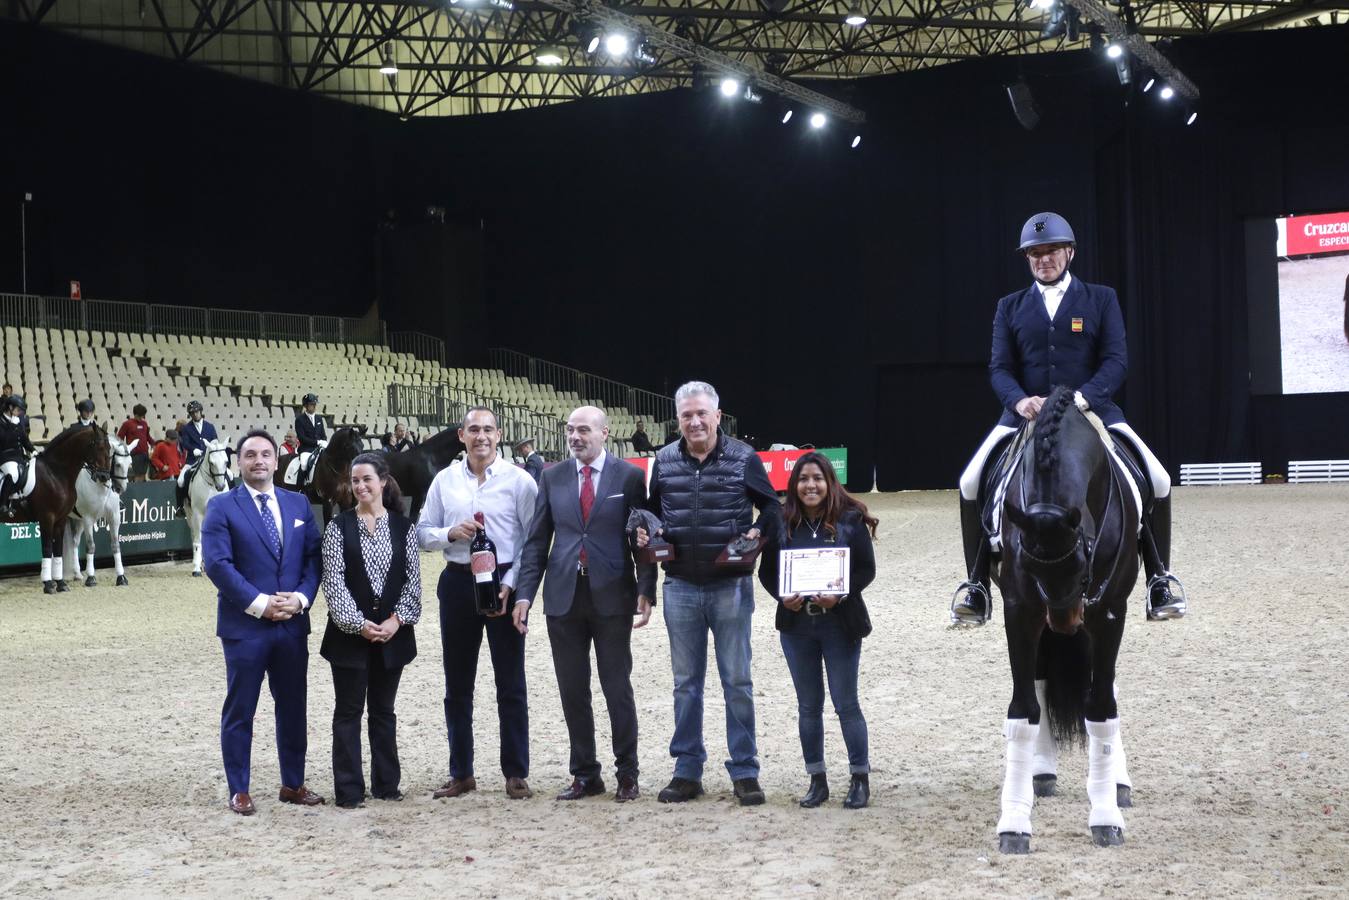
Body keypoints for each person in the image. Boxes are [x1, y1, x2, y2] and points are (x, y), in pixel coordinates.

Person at [952, 212, 1185, 626]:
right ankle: (977, 585)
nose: (1044, 259)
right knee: (970, 481)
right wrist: (1019, 401)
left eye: (1052, 251)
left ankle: (1158, 578)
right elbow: (1000, 367)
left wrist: (1084, 397)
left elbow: (1116, 360)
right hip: (1026, 415)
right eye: (1035, 253)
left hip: (1091, 411)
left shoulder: (1100, 299)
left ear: (1070, 252)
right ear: (1027, 258)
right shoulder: (1010, 306)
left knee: (1158, 477)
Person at [638, 381, 782, 807]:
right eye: (687, 415)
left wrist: (758, 531)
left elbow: (772, 507)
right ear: (678, 419)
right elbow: (650, 514)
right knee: (686, 684)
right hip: (680, 584)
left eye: (702, 413)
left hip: (730, 585)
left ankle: (745, 770)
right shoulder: (664, 460)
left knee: (737, 680)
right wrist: (646, 535)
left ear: (718, 416)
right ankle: (687, 770)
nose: (695, 421)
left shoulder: (744, 457)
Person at [514, 406, 656, 802]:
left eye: (583, 430)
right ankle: (585, 773)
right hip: (563, 597)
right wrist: (525, 594)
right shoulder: (551, 476)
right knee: (572, 690)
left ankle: (627, 772)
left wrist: (647, 587)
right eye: (570, 430)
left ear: (604, 433)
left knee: (616, 687)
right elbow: (537, 541)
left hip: (613, 595)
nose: (575, 437)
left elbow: (642, 537)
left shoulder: (629, 477)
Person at [417, 406, 538, 801]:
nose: (481, 436)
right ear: (462, 436)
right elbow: (422, 532)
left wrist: (512, 583)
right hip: (458, 581)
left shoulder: (520, 481)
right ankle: (461, 772)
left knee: (510, 682)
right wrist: (450, 533)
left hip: (503, 583)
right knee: (457, 683)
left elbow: (533, 542)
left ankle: (515, 772)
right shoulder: (444, 480)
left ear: (498, 435)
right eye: (473, 429)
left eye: (488, 429)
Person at [201, 430, 325, 816]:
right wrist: (260, 604)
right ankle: (239, 789)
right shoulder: (221, 506)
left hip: (291, 625)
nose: (259, 460)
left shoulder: (298, 503)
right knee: (241, 709)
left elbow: (314, 558)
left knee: (293, 707)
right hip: (245, 628)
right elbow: (217, 565)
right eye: (251, 454)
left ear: (276, 460)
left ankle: (293, 783)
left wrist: (301, 598)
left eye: (266, 454)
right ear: (239, 462)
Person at [758, 452, 878, 810]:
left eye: (817, 478)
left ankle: (859, 778)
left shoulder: (849, 519)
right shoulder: (781, 521)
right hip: (797, 627)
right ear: (794, 484)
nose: (810, 485)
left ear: (829, 482)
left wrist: (840, 594)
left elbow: (866, 569)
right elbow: (767, 572)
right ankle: (817, 779)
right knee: (808, 707)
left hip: (839, 625)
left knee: (846, 704)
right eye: (803, 479)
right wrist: (783, 597)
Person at [320, 452, 422, 809]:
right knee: (348, 712)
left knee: (383, 711)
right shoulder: (338, 527)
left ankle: (386, 784)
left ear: (383, 481)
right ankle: (348, 790)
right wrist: (358, 624)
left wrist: (396, 620)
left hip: (393, 636)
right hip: (349, 637)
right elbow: (333, 582)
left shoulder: (404, 528)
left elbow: (412, 582)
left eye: (367, 479)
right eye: (355, 480)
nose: (360, 486)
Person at [178, 400, 219, 508]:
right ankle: (180, 506)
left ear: (200, 411)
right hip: (192, 460)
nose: (195, 414)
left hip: (209, 460)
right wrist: (193, 450)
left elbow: (215, 440)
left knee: (229, 475)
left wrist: (213, 446)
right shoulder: (186, 428)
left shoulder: (210, 426)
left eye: (197, 412)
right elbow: (185, 443)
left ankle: (231, 502)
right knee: (180, 481)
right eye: (192, 413)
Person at [0, 395, 36, 503]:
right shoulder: (1, 422)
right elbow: (4, 441)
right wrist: (11, 426)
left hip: (18, 456)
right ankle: (2, 504)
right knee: (13, 474)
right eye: (18, 410)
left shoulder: (17, 420)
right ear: (10, 407)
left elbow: (24, 439)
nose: (20, 412)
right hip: (4, 457)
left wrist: (33, 450)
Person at [117, 404, 153, 481]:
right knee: (137, 474)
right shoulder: (127, 424)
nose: (141, 418)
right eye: (139, 416)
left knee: (143, 474)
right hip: (135, 454)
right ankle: (137, 487)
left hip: (145, 453)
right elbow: (119, 438)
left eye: (142, 416)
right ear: (135, 414)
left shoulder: (144, 423)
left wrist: (154, 444)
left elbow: (148, 437)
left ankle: (141, 487)